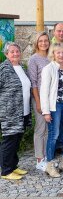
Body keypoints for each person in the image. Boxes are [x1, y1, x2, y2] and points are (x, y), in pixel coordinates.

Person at [40, 43, 63, 178]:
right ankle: (49, 165)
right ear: (53, 54)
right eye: (58, 53)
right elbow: (44, 91)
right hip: (54, 106)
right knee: (54, 135)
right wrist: (46, 111)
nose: (61, 55)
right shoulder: (48, 69)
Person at [0, 42, 31, 180]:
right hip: (9, 112)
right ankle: (6, 171)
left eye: (17, 51)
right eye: (11, 52)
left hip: (22, 110)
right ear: (6, 54)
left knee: (17, 138)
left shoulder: (22, 67)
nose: (15, 53)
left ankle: (13, 166)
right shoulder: (4, 69)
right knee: (10, 140)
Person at [28, 32, 50, 172]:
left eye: (46, 40)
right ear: (36, 43)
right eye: (40, 41)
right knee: (40, 129)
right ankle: (39, 159)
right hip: (40, 98)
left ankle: (46, 156)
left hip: (51, 98)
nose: (43, 43)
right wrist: (38, 102)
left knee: (49, 129)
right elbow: (33, 83)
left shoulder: (50, 57)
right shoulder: (33, 59)